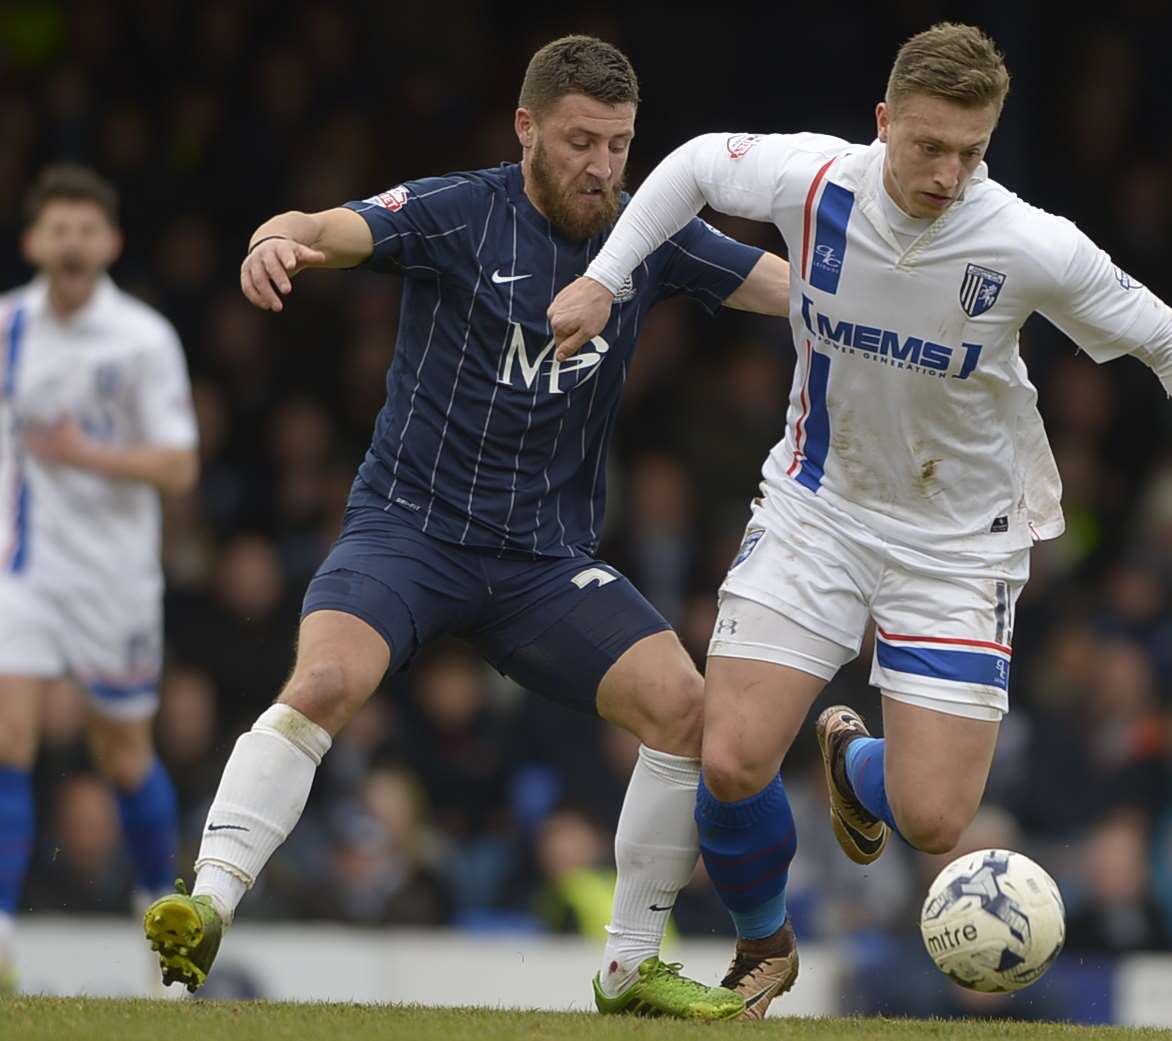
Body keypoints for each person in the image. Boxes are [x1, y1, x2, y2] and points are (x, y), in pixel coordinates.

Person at [548, 21, 1172, 1017]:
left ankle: (855, 765)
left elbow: (1165, 338)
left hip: (957, 545)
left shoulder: (1024, 241)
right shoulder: (814, 183)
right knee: (730, 753)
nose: (948, 172)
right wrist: (607, 276)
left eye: (970, 150)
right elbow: (691, 167)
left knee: (935, 818)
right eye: (928, 146)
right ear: (882, 123)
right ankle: (762, 944)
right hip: (817, 506)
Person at [142, 35, 788, 1021]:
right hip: (411, 532)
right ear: (526, 127)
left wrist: (875, 306)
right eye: (580, 141)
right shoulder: (458, 213)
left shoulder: (641, 233)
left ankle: (626, 969)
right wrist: (276, 239)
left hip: (541, 566)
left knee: (686, 709)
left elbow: (782, 290)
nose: (601, 167)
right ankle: (206, 906)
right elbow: (323, 225)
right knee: (321, 682)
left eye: (618, 145)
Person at [0, 164, 199, 994]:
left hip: (115, 580)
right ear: (34, 241)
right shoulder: (8, 325)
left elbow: (180, 465)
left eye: (88, 229)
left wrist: (91, 456)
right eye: (59, 229)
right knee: (8, 739)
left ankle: (158, 907)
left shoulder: (143, 338)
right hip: (25, 570)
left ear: (110, 242)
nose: (73, 243)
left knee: (122, 753)